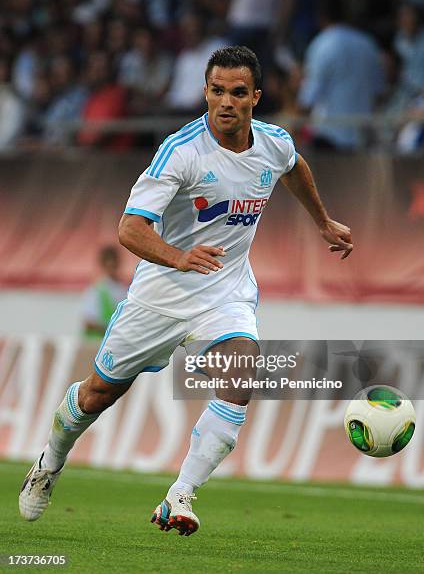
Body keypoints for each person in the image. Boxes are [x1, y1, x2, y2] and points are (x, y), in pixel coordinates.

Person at [19, 46, 353, 535]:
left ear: (255, 97)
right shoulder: (183, 151)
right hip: (160, 295)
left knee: (242, 371)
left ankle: (180, 495)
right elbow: (130, 229)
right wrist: (179, 257)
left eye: (238, 93)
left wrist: (322, 222)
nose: (225, 102)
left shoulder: (274, 143)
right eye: (217, 91)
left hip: (226, 291)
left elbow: (294, 166)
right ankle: (47, 465)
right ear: (205, 92)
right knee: (96, 396)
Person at [298, 0, 384, 151]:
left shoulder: (321, 44)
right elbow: (378, 94)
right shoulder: (368, 44)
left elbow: (308, 98)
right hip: (362, 137)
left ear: (321, 16)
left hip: (328, 137)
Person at [81, 245, 128, 340]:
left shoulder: (124, 290)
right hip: (96, 346)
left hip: (113, 345)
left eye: (114, 265)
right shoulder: (95, 290)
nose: (112, 269)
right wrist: (114, 329)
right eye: (109, 266)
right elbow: (88, 323)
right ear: (103, 266)